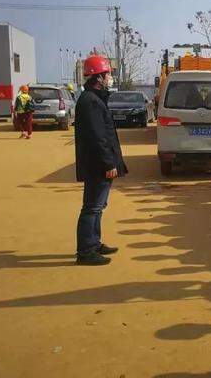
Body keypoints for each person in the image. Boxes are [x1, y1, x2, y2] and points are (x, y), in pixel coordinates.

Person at [74, 54, 127, 266]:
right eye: (108, 74)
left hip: (98, 162)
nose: (110, 78)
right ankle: (86, 250)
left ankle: (94, 243)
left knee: (98, 205)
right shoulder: (91, 102)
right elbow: (98, 137)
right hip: (98, 164)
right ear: (98, 77)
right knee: (92, 207)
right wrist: (109, 164)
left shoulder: (94, 99)